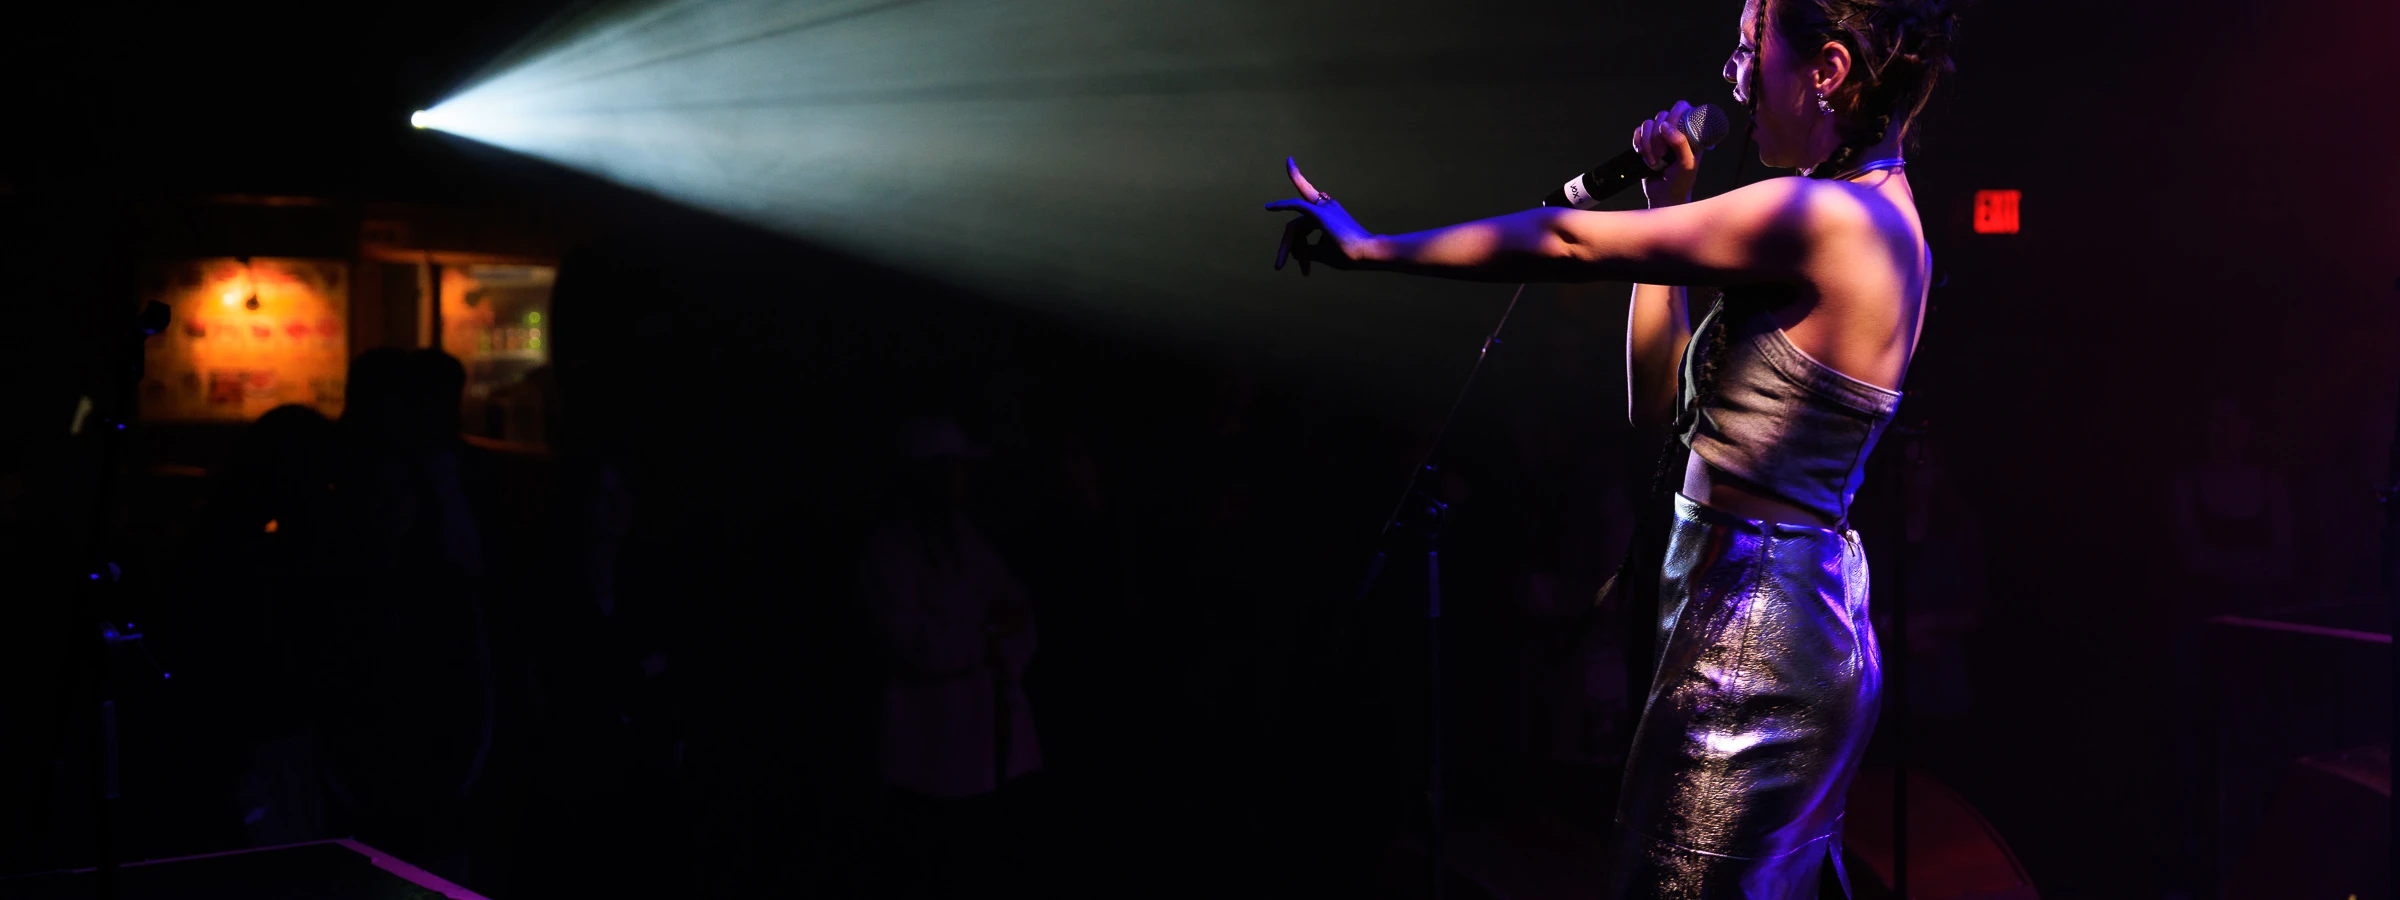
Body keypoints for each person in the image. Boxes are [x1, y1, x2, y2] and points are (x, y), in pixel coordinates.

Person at [1262, 0, 1958, 893]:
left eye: (1749, 49)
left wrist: (1373, 249)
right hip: (1766, 612)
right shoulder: (1876, 215)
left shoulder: (1830, 220)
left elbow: (1567, 237)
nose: (1730, 76)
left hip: (1757, 635)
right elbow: (1654, 404)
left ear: (1825, 71)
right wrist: (1668, 203)